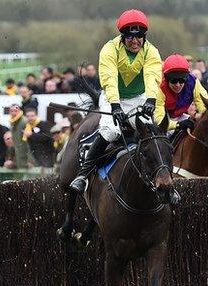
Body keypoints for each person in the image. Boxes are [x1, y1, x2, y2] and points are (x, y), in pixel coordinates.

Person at [69, 9, 162, 193]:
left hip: (139, 98)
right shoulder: (109, 49)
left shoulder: (151, 51)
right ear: (123, 36)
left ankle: (164, 176)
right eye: (130, 38)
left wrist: (151, 100)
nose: (135, 42)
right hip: (113, 98)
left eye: (139, 38)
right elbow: (109, 78)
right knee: (111, 131)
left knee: (151, 131)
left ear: (144, 36)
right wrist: (116, 105)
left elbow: (152, 76)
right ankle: (83, 175)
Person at [153, 54, 208, 133]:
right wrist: (178, 124)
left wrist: (200, 116)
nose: (178, 85)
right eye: (174, 81)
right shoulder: (160, 87)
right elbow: (159, 121)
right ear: (167, 78)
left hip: (183, 116)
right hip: (164, 119)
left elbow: (205, 108)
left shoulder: (193, 82)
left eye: (182, 81)